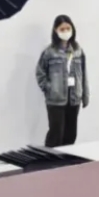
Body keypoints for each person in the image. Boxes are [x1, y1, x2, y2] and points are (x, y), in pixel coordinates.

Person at [36, 15, 89, 147]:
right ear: (56, 30)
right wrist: (49, 88)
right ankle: (50, 159)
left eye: (68, 28)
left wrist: (85, 95)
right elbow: (40, 73)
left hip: (74, 98)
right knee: (56, 135)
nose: (65, 32)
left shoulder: (78, 51)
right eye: (62, 29)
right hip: (56, 99)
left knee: (71, 135)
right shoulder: (49, 52)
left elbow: (84, 74)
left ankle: (66, 159)